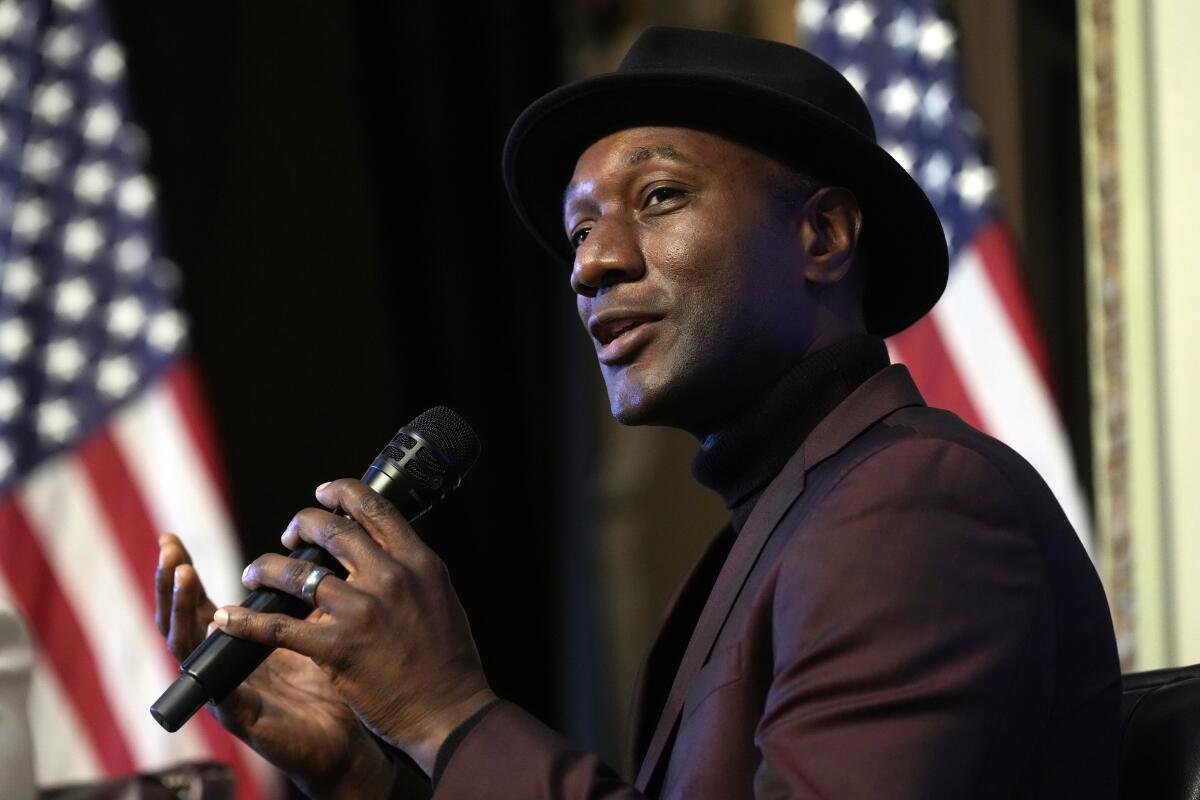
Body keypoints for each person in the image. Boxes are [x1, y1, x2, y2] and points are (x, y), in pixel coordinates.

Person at [156, 26, 1120, 799]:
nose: (591, 264)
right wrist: (369, 772)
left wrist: (446, 711)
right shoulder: (783, 529)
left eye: (657, 198)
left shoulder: (918, 504)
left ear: (823, 233)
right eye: (580, 230)